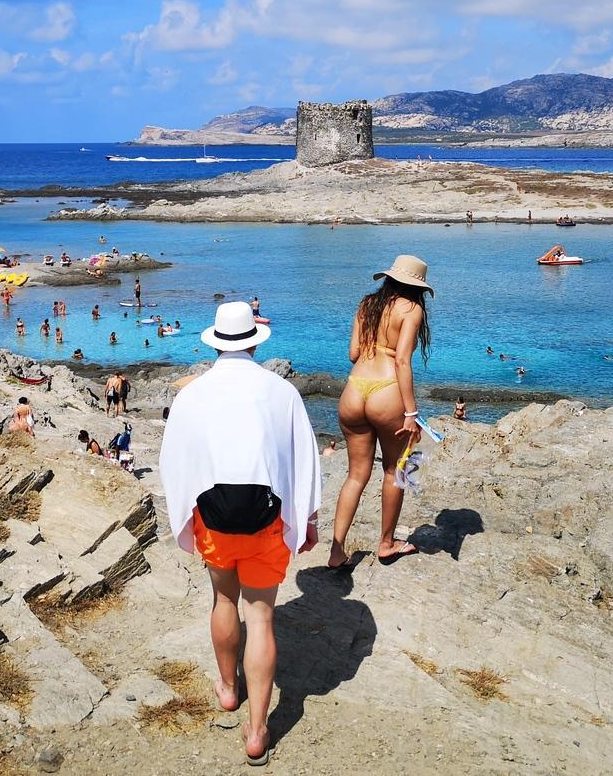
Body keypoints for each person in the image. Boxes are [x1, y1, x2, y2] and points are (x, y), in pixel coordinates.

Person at [159, 301, 321, 766]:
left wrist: (186, 517)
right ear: (253, 340)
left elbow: (176, 460)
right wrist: (306, 517)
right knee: (262, 617)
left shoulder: (194, 392)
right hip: (267, 520)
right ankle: (256, 732)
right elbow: (303, 458)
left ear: (216, 342)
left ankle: (229, 689)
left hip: (214, 518)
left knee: (223, 600)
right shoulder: (280, 391)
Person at [329, 254, 432, 567]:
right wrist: (412, 413)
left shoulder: (366, 305)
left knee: (355, 475)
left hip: (354, 389)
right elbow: (402, 360)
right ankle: (386, 544)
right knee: (397, 470)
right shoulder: (411, 309)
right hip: (387, 392)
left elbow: (353, 353)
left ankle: (336, 552)